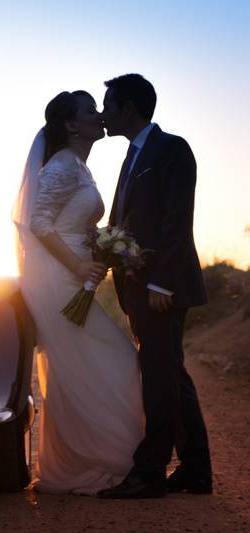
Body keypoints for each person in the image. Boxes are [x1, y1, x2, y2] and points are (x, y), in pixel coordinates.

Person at [13, 90, 144, 495]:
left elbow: (72, 222)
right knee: (116, 361)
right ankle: (100, 459)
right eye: (90, 111)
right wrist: (78, 264)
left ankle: (76, 462)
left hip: (75, 275)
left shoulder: (79, 167)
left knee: (80, 370)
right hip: (58, 278)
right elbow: (38, 223)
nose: (100, 116)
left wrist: (103, 244)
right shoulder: (62, 166)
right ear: (70, 125)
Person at [97, 74, 211, 499]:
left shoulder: (172, 149)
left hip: (162, 287)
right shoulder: (132, 155)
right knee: (171, 374)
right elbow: (125, 220)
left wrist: (161, 282)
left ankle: (149, 473)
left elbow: (176, 220)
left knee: (159, 377)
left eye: (108, 106)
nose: (104, 114)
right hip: (138, 285)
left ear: (128, 108)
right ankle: (197, 469)